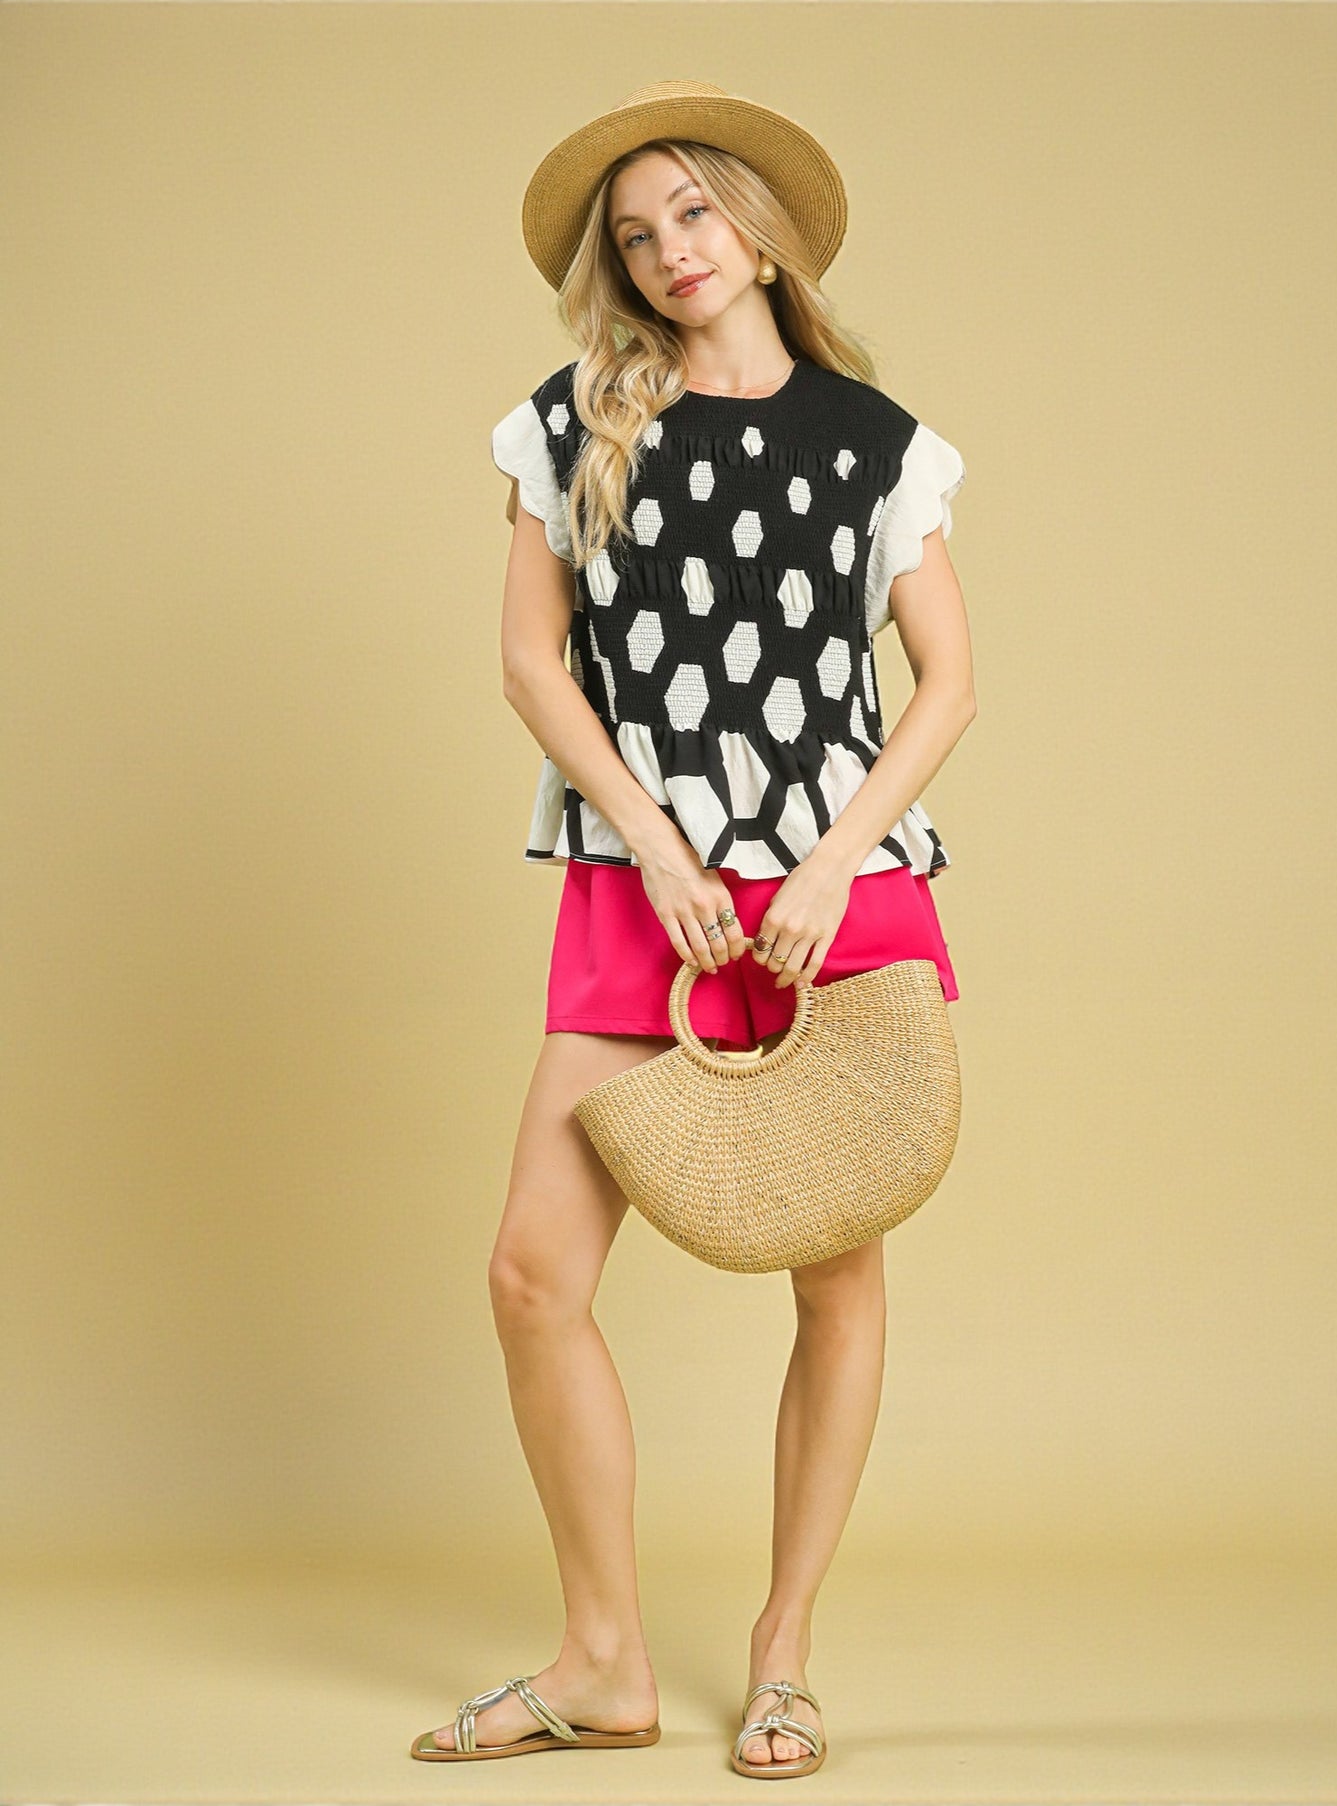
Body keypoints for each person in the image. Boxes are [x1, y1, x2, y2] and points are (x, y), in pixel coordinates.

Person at [410, 80, 977, 1780]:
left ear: (761, 226)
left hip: (835, 893)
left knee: (837, 1268)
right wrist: (654, 840)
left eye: (694, 215)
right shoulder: (571, 422)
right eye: (636, 234)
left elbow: (945, 680)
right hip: (635, 883)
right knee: (531, 1272)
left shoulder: (879, 444)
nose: (668, 251)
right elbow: (532, 661)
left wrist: (826, 858)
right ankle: (603, 1657)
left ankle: (785, 1652)